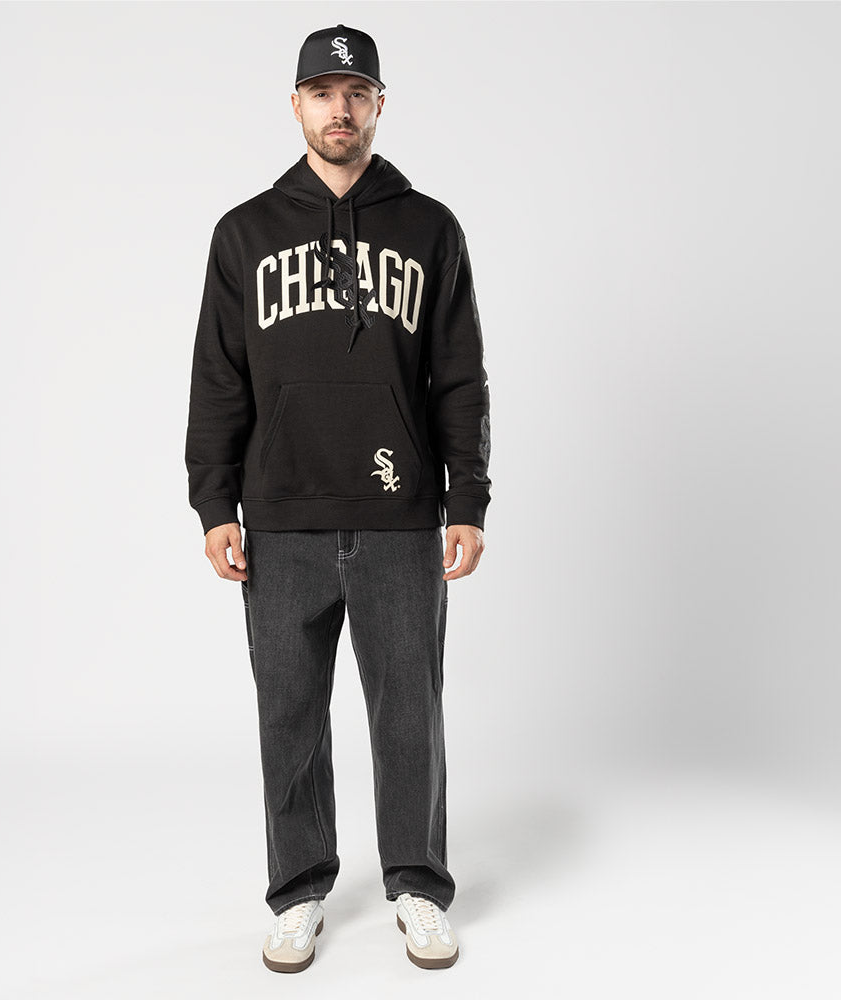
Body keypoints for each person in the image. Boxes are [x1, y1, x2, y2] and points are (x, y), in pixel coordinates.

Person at [185, 23, 491, 973]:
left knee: (410, 715)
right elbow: (218, 378)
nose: (340, 109)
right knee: (289, 714)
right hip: (280, 516)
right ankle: (299, 891)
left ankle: (417, 885)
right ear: (297, 106)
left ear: (379, 105)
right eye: (322, 92)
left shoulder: (430, 228)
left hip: (401, 514)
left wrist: (469, 499)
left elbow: (459, 376)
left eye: (356, 93)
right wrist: (215, 503)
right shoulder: (244, 234)